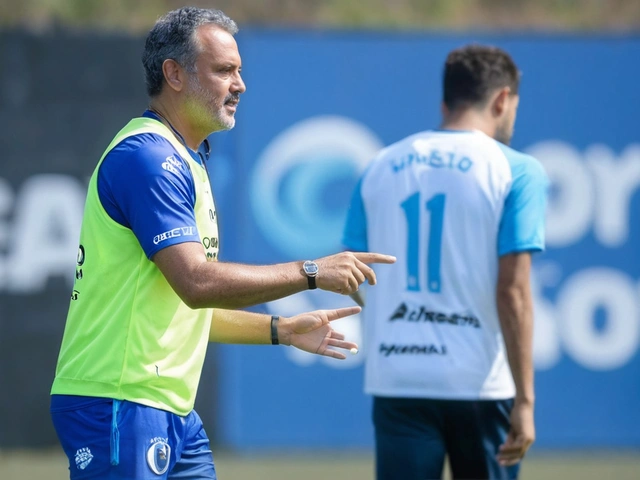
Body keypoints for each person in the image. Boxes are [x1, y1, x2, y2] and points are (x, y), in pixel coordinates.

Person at [50, 7, 395, 479]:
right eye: (223, 70)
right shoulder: (148, 158)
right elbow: (197, 283)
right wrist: (312, 272)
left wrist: (282, 330)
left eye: (239, 71)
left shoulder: (184, 159)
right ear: (174, 73)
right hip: (118, 402)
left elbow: (186, 309)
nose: (240, 85)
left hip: (167, 409)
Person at [343, 44, 548, 480]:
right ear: (501, 100)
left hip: (398, 377)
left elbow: (351, 274)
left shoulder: (379, 165)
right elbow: (513, 291)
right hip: (480, 385)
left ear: (445, 103)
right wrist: (526, 401)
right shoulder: (518, 171)